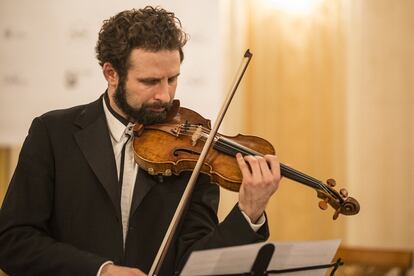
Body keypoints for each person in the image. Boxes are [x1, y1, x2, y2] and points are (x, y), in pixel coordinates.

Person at [0, 6, 281, 276]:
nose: (165, 95)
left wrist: (248, 212)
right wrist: (100, 271)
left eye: (172, 79)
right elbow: (13, 241)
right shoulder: (52, 133)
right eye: (150, 81)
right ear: (111, 74)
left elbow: (197, 265)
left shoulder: (194, 152)